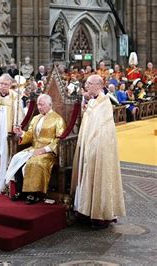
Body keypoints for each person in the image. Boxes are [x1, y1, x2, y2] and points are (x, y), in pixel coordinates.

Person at [71, 75, 126, 229]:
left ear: (98, 85)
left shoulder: (105, 102)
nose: (86, 85)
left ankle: (99, 215)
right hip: (87, 145)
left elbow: (103, 129)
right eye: (87, 83)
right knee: (86, 178)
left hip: (98, 147)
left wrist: (93, 146)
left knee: (97, 178)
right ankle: (84, 210)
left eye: (89, 83)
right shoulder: (93, 100)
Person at [5, 94, 66, 204]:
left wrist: (44, 150)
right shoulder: (35, 118)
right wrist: (21, 133)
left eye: (41, 104)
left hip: (48, 152)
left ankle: (33, 194)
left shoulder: (58, 119)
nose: (39, 107)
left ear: (49, 105)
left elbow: (59, 140)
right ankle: (20, 191)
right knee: (17, 158)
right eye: (38, 104)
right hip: (33, 148)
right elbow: (30, 135)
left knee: (34, 162)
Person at [0, 74, 24, 193]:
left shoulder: (15, 97)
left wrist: (16, 127)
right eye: (1, 84)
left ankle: (5, 185)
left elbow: (19, 115)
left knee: (5, 156)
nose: (3, 86)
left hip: (7, 134)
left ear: (11, 85)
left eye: (6, 84)